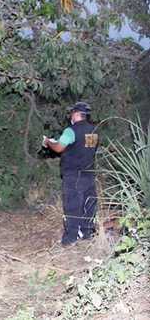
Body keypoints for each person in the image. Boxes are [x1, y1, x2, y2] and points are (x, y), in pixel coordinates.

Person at [43, 102, 99, 246]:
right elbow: (87, 148)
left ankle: (71, 238)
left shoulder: (71, 131)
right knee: (88, 204)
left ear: (75, 114)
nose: (70, 117)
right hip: (89, 173)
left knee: (72, 205)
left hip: (74, 174)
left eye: (71, 113)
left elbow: (59, 148)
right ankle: (87, 233)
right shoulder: (93, 130)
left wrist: (49, 142)